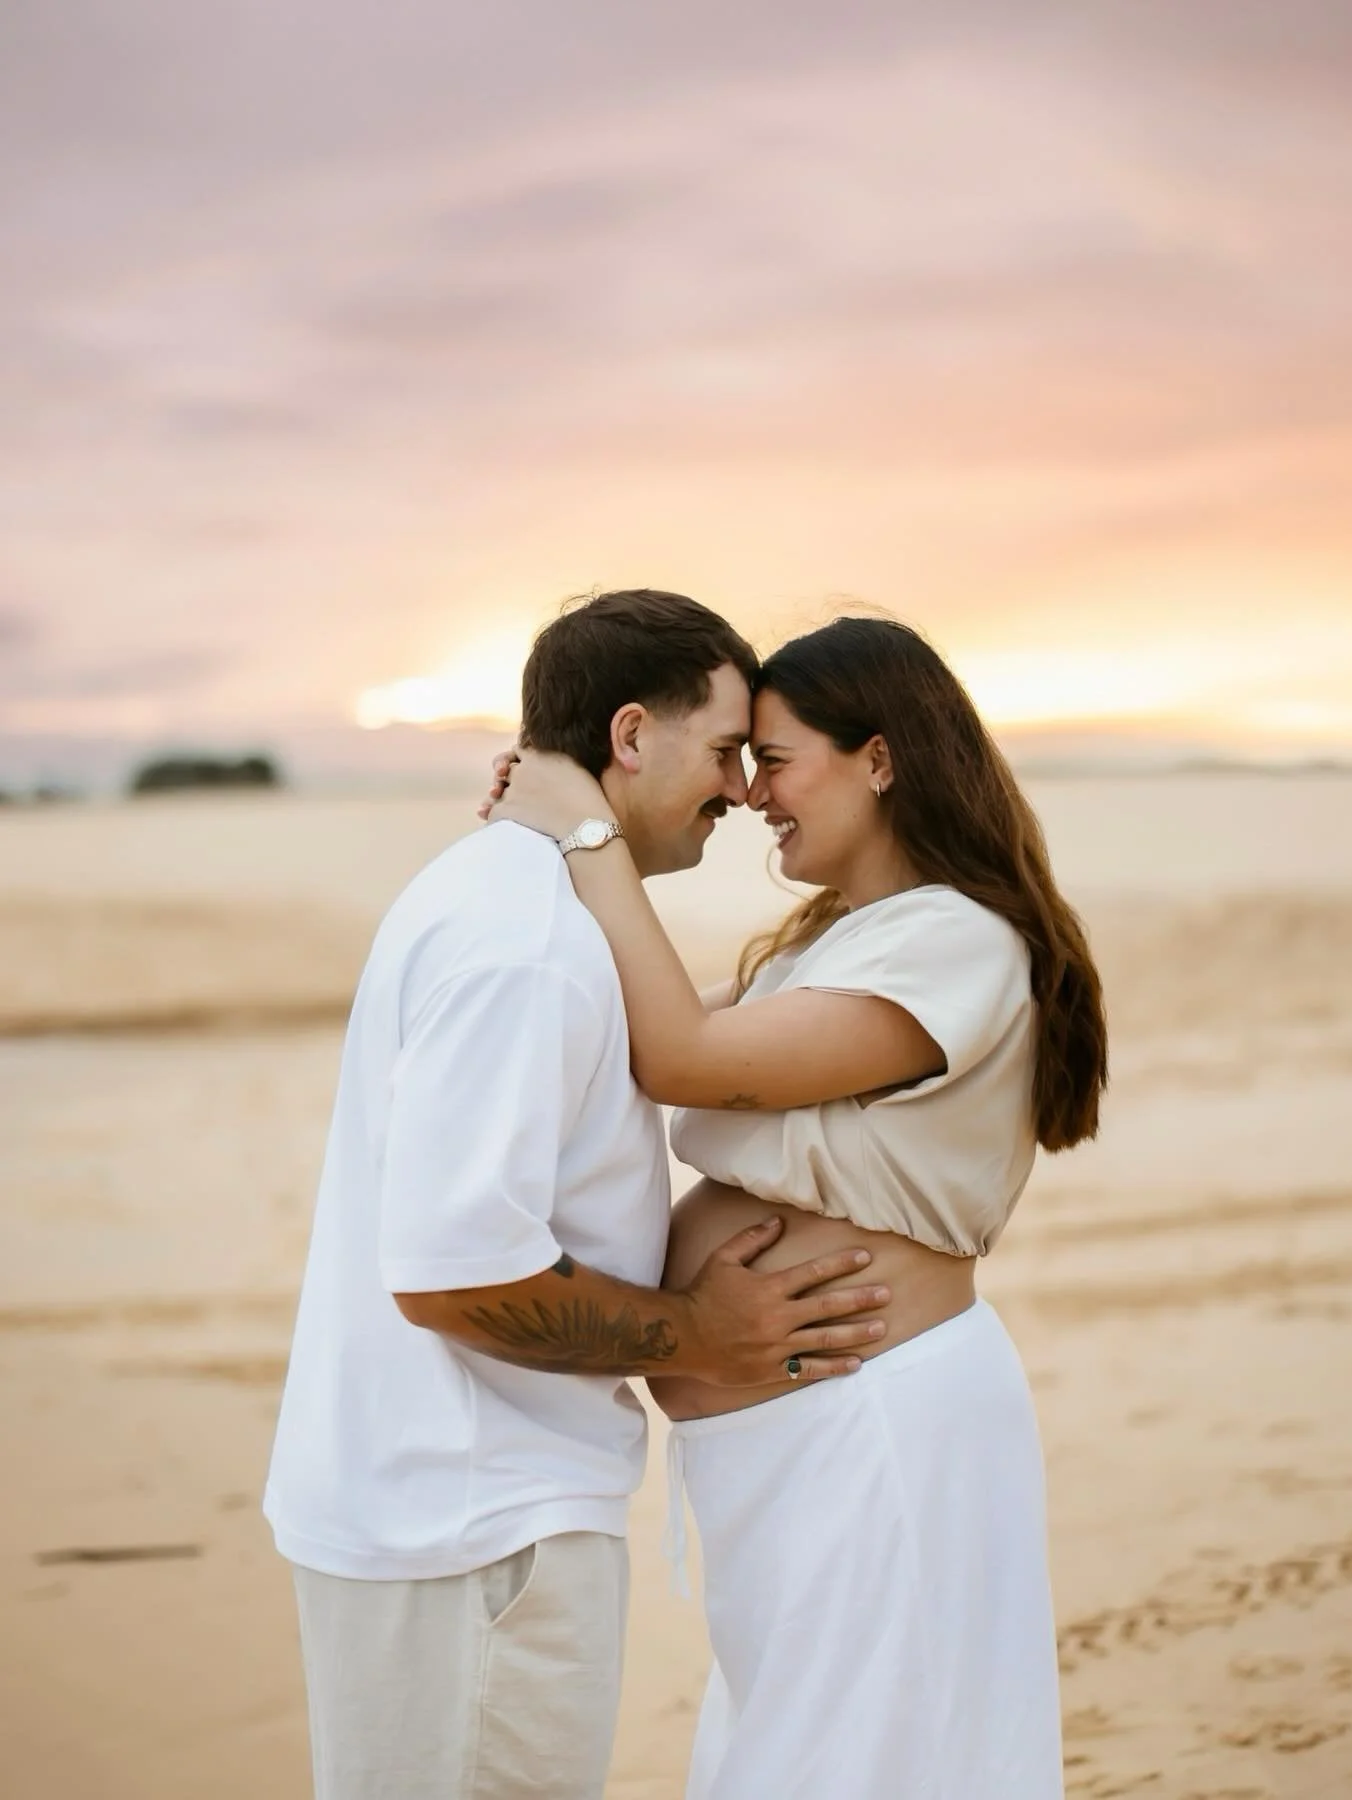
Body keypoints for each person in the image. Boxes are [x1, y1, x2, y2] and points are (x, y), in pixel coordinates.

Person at [264, 590, 893, 1800]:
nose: (739, 790)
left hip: (442, 1509)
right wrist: (700, 1334)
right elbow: (452, 1275)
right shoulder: (527, 943)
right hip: (475, 1532)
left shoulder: (506, 896)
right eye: (725, 751)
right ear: (630, 734)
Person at [486, 614, 1108, 1800]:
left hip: (876, 1420)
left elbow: (683, 1059)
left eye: (772, 760)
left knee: (855, 1761)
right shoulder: (839, 937)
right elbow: (635, 1028)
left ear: (879, 759)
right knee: (808, 1749)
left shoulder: (955, 939)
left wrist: (585, 832)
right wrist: (546, 845)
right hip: (801, 1435)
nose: (751, 794)